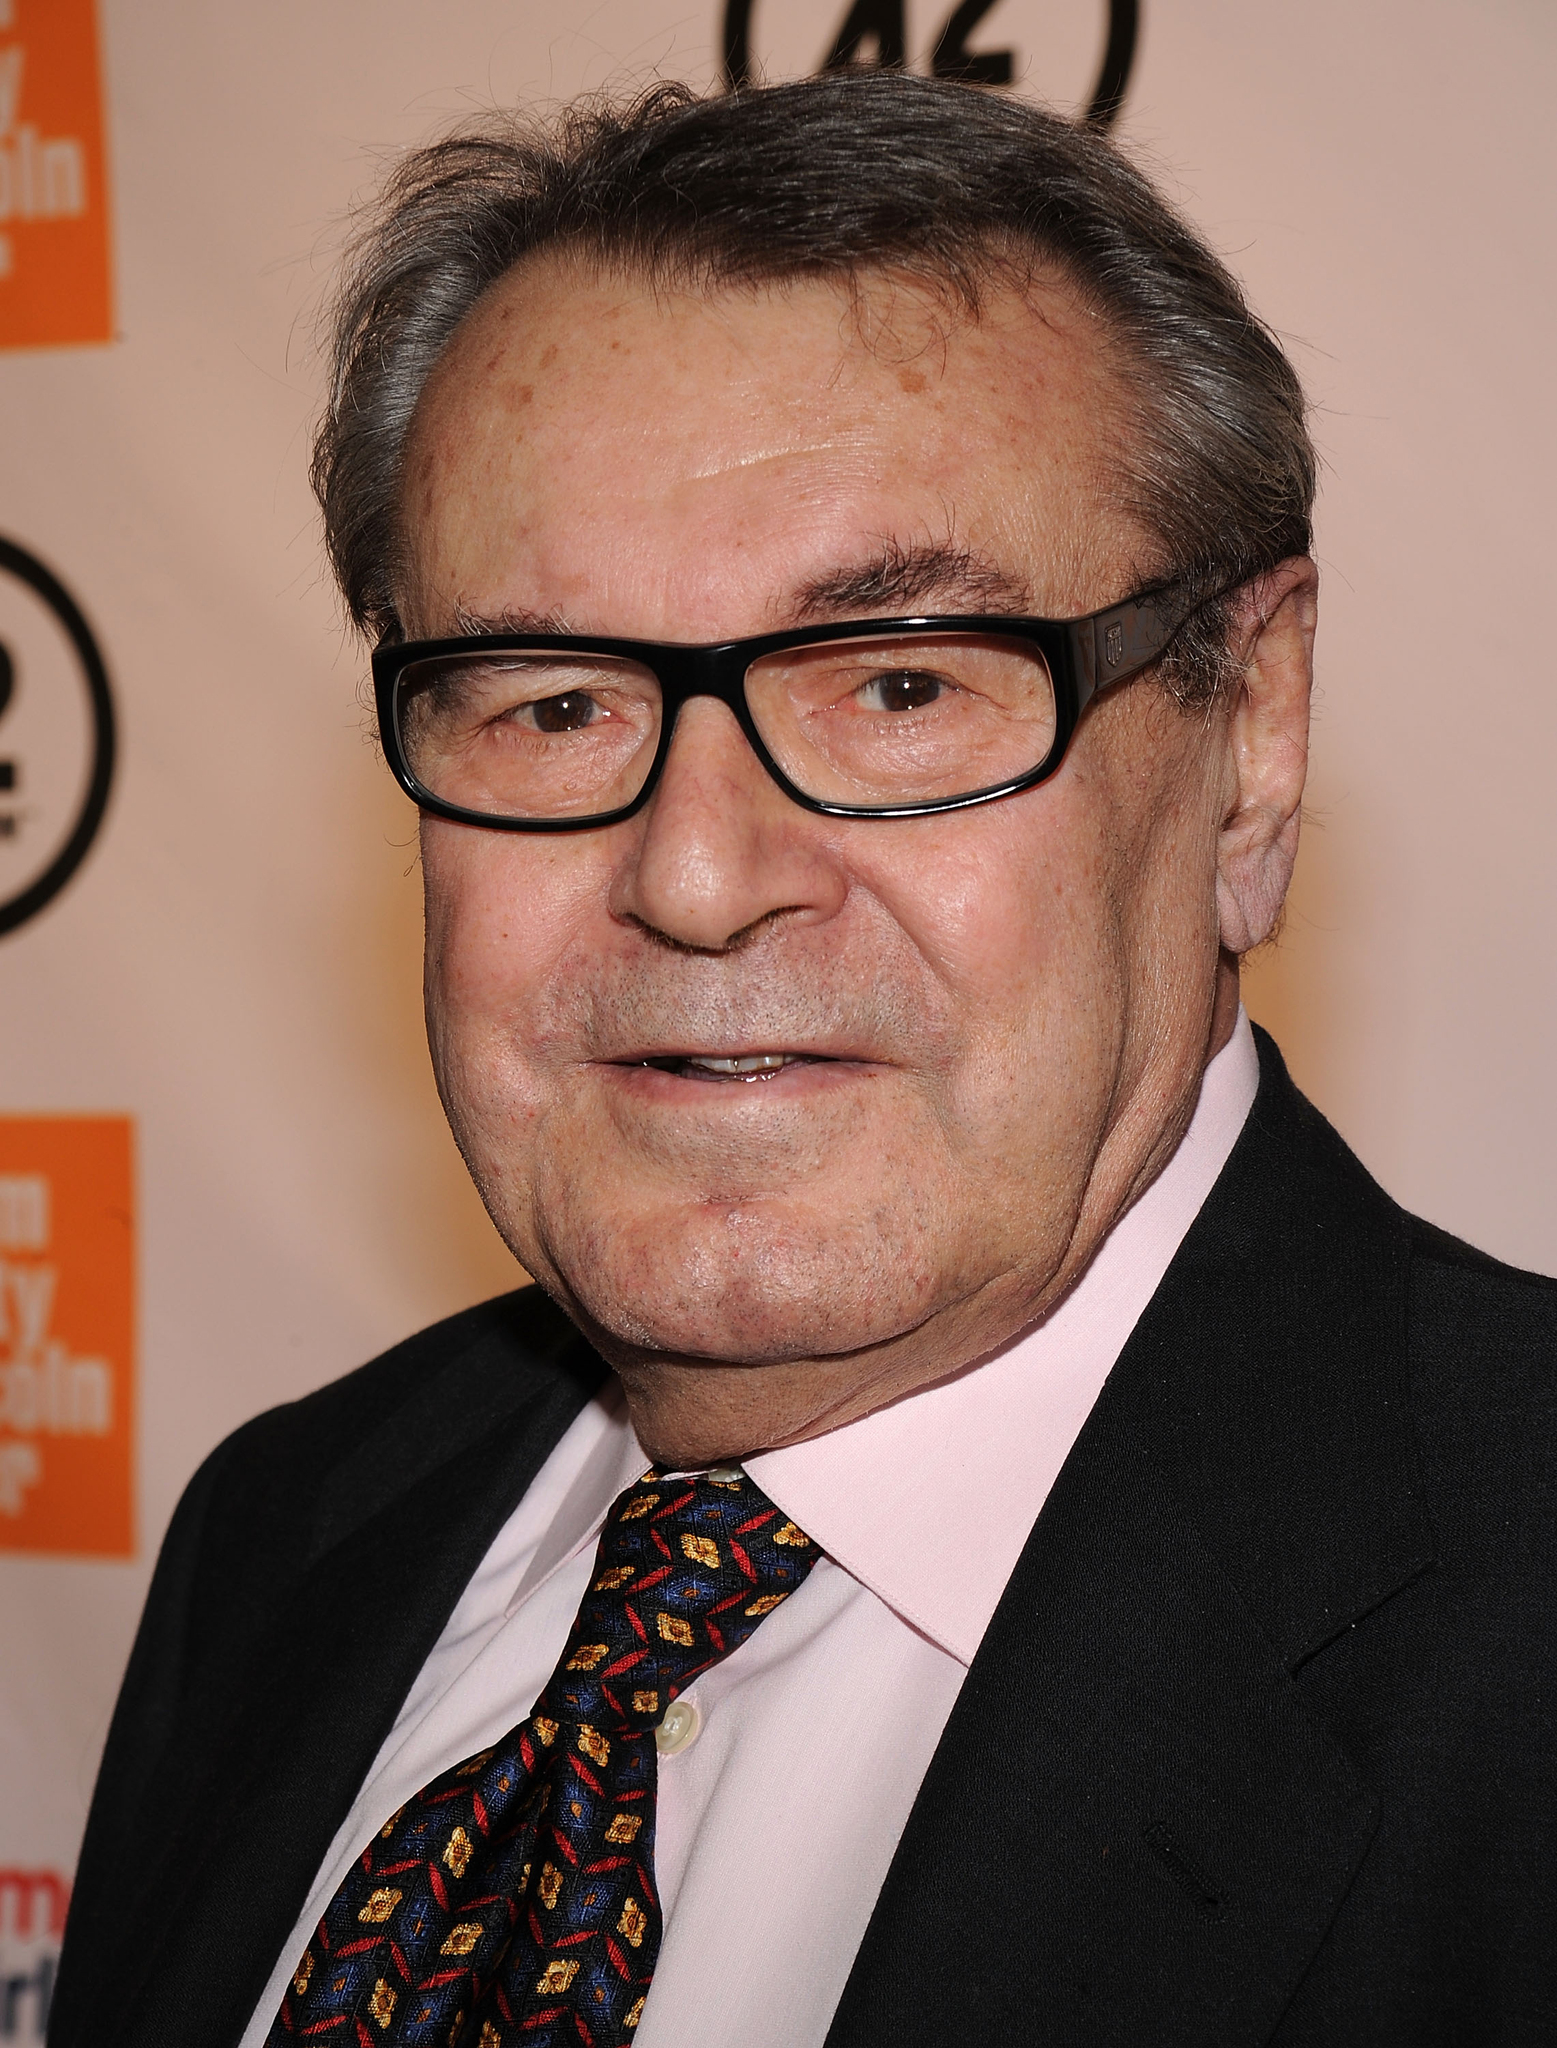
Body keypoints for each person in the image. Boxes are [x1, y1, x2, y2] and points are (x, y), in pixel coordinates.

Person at [49, 73, 1555, 2048]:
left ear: (1247, 732)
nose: (691, 877)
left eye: (900, 685)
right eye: (554, 701)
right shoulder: (293, 1530)